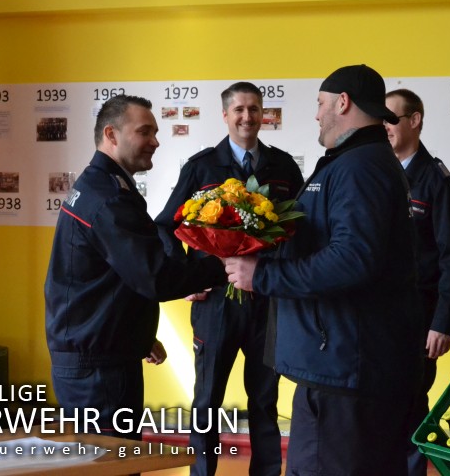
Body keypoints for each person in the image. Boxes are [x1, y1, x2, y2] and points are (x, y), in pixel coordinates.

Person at [225, 65, 423, 476]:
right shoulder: (356, 161)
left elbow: (353, 259)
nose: (316, 115)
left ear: (343, 102)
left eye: (319, 104)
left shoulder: (360, 166)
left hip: (344, 372)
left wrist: (260, 275)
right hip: (344, 366)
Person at [45, 94, 225, 440]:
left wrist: (137, 336)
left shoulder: (98, 185)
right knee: (112, 464)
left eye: (155, 132)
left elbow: (110, 274)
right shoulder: (109, 198)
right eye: (145, 132)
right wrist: (223, 266)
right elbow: (154, 277)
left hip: (98, 355)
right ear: (111, 135)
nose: (155, 141)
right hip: (98, 370)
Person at [155, 82, 303, 476]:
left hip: (267, 301)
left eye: (254, 109)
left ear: (263, 114)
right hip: (216, 304)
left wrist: (286, 280)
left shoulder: (284, 167)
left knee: (265, 401)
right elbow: (164, 227)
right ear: (225, 115)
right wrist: (185, 279)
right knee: (206, 401)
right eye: (239, 109)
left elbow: (303, 230)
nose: (247, 117)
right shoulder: (201, 166)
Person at [385, 88, 450, 476]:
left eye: (392, 119)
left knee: (414, 407)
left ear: (414, 121)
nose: (384, 127)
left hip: (419, 319)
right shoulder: (374, 172)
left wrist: (442, 322)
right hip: (376, 317)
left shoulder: (435, 179)